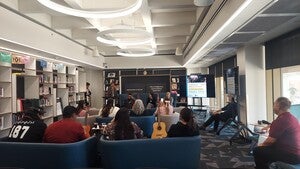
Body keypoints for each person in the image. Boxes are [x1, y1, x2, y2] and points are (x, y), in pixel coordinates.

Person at [253, 97, 300, 169]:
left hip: (291, 156)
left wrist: (260, 145)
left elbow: (269, 141)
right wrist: (270, 125)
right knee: (267, 148)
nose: (273, 107)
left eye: (274, 104)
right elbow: (280, 125)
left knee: (257, 150)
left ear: (278, 106)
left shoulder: (281, 120)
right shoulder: (291, 117)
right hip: (296, 152)